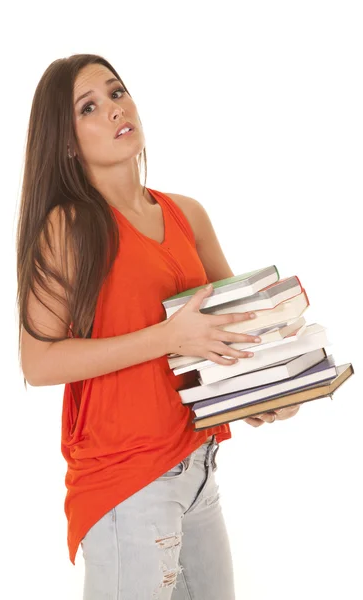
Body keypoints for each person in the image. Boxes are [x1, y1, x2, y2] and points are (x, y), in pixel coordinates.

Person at [16, 54, 300, 600]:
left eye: (117, 92)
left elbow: (232, 331)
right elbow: (40, 361)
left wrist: (271, 394)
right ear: (68, 142)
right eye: (89, 107)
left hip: (196, 469)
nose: (115, 109)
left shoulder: (186, 214)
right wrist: (166, 339)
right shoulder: (69, 225)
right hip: (129, 480)